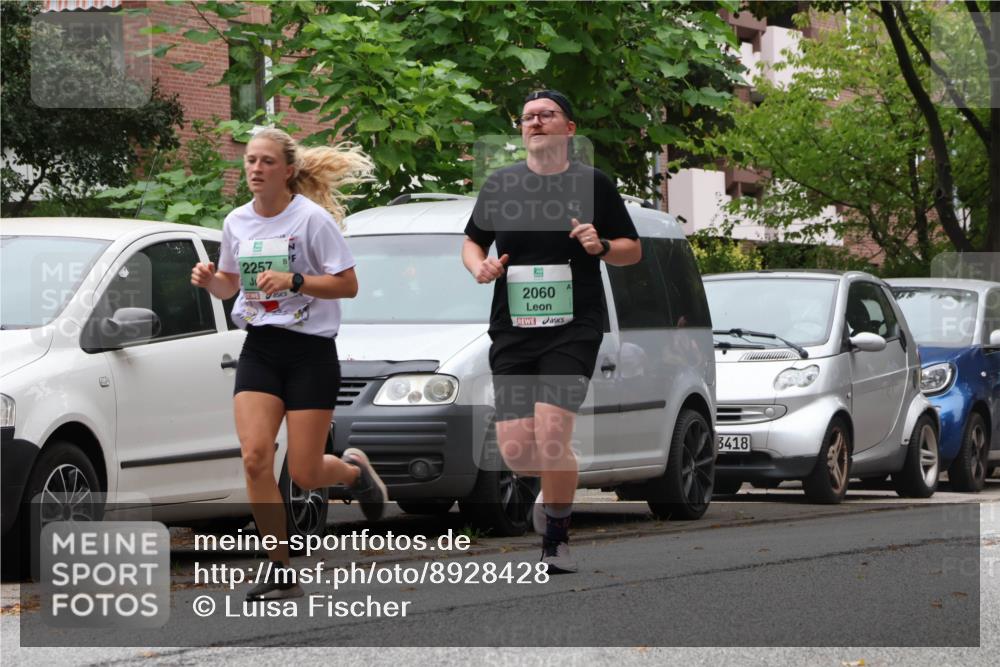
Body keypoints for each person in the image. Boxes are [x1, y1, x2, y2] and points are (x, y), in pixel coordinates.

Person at [191, 128, 387, 600]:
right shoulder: (237, 221)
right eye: (250, 161)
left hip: (310, 353)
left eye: (267, 162)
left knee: (304, 473)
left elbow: (348, 285)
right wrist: (210, 280)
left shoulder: (311, 220)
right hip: (260, 348)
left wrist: (295, 279)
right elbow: (230, 286)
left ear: (288, 170)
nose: (256, 169)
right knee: (255, 457)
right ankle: (279, 567)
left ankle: (353, 472)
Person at [462, 90, 641, 573]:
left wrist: (601, 245)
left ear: (569, 128)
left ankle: (556, 539)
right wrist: (480, 267)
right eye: (528, 117)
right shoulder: (501, 184)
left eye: (547, 114)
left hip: (573, 329)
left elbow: (632, 249)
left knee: (554, 432)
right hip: (514, 330)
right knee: (518, 453)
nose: (536, 122)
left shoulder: (592, 184)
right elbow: (472, 242)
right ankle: (555, 484)